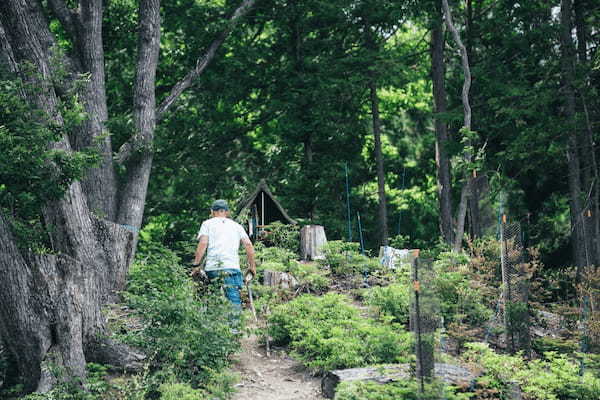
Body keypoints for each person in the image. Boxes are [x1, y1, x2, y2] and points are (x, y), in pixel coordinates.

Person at [191, 199, 256, 317]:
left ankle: (213, 330)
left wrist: (196, 265)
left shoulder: (207, 224)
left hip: (213, 268)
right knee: (234, 300)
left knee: (212, 300)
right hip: (232, 268)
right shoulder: (237, 226)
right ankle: (234, 331)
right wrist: (252, 267)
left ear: (212, 212)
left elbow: (203, 243)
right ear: (227, 212)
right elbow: (248, 245)